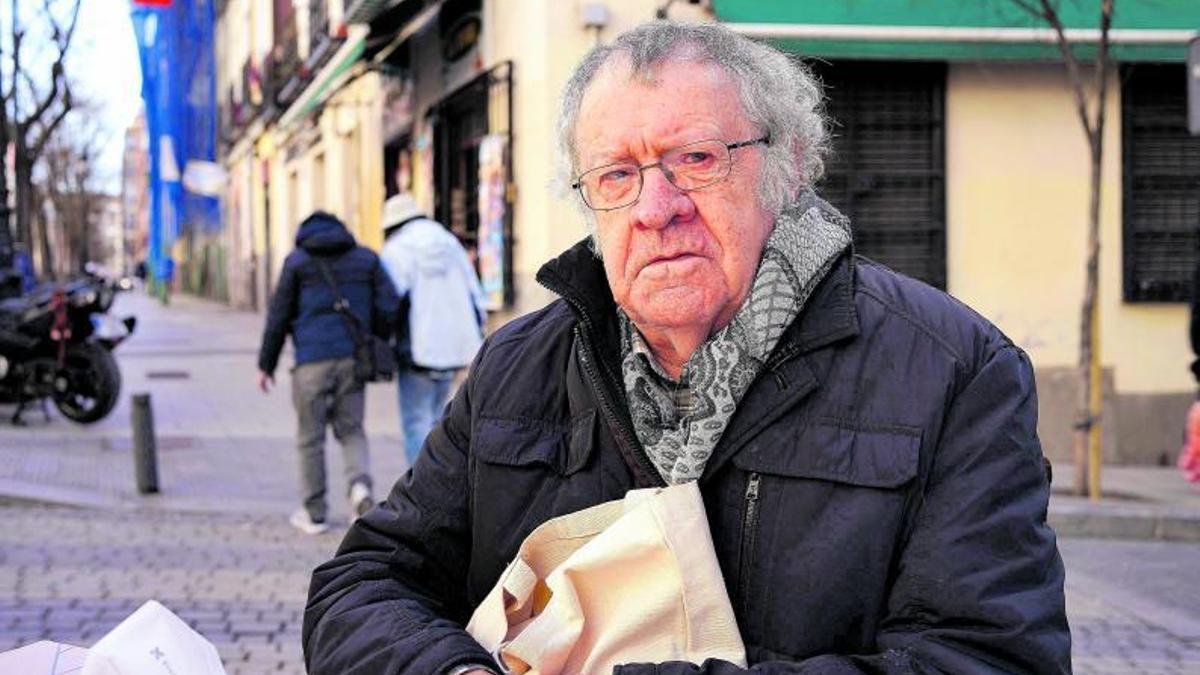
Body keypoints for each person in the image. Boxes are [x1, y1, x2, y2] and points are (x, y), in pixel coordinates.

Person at [302, 21, 1069, 673]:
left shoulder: (954, 371)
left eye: (696, 159)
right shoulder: (518, 366)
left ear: (790, 165)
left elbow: (990, 655)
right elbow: (364, 582)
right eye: (616, 175)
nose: (654, 209)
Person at [257, 211, 398, 535]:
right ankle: (360, 489)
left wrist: (266, 365)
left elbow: (278, 315)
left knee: (311, 438)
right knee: (352, 430)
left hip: (310, 361)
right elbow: (390, 304)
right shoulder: (366, 259)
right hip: (353, 359)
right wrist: (371, 336)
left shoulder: (297, 262)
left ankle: (314, 512)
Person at [377, 193, 486, 465]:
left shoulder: (397, 249)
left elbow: (390, 302)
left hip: (417, 349)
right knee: (439, 423)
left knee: (415, 422)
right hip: (453, 348)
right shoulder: (449, 242)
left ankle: (420, 491)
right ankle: (442, 483)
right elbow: (475, 293)